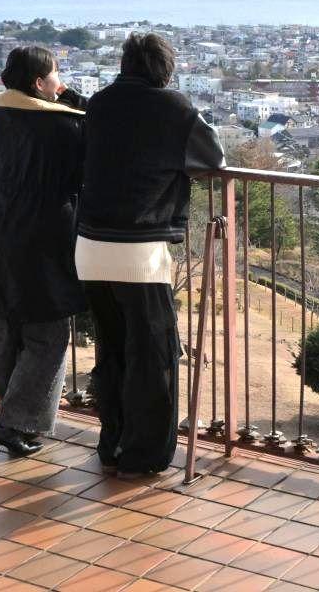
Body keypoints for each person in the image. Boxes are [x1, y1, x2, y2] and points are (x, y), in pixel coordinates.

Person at [76, 32, 225, 478]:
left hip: (89, 245)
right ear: (165, 68)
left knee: (113, 348)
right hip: (139, 249)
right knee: (154, 354)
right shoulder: (175, 109)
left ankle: (112, 442)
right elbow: (212, 159)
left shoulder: (99, 103)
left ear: (124, 64)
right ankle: (145, 456)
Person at [0, 46, 88, 456]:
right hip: (45, 237)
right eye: (56, 74)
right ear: (40, 83)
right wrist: (74, 99)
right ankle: (13, 424)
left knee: (5, 327)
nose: (61, 81)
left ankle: (15, 421)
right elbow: (88, 165)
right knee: (48, 333)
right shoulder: (65, 127)